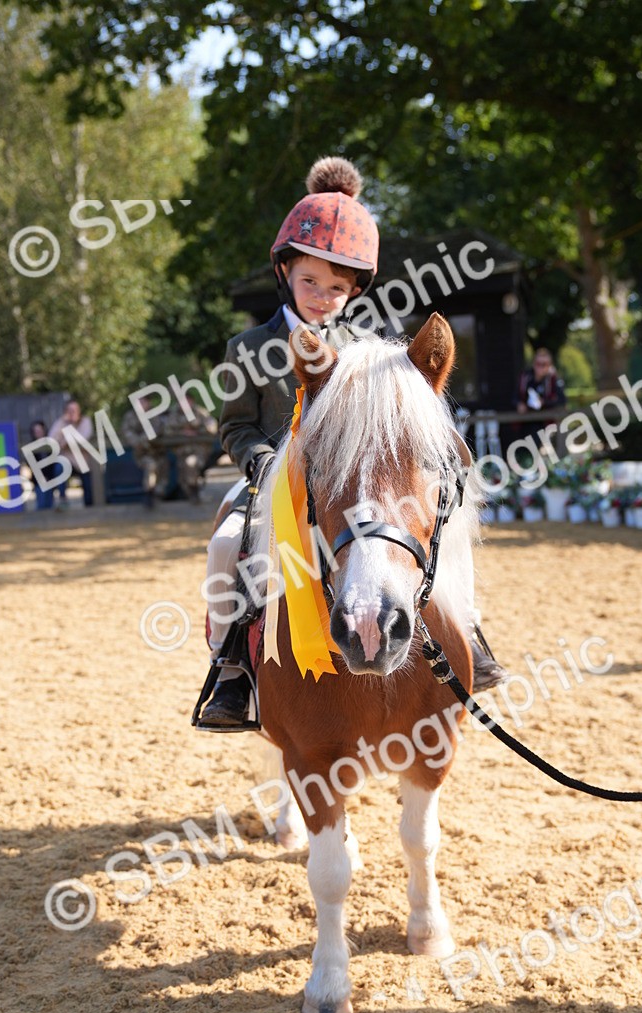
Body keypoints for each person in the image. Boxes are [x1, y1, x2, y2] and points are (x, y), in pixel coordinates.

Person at [199, 156, 505, 727]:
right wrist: (266, 466)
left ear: (354, 290)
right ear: (285, 272)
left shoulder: (367, 347)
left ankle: (469, 634)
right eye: (310, 281)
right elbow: (235, 426)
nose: (322, 295)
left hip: (346, 486)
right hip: (273, 484)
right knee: (225, 544)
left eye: (336, 287)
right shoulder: (248, 347)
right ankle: (232, 666)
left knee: (434, 527)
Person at [121, 394, 171, 508]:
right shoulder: (130, 416)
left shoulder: (155, 414)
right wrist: (139, 442)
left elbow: (155, 431)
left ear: (148, 403)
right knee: (151, 466)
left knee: (162, 479)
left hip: (159, 453)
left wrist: (141, 440)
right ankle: (149, 494)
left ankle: (158, 498)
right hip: (143, 454)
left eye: (143, 402)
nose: (140, 405)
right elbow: (127, 432)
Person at [48, 399, 94, 507]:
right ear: (65, 411)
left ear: (79, 411)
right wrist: (63, 424)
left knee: (88, 487)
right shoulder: (61, 422)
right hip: (67, 460)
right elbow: (51, 439)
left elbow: (83, 438)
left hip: (83, 461)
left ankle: (90, 506)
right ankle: (62, 500)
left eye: (75, 410)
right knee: (59, 467)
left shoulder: (86, 421)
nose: (73, 412)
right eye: (70, 410)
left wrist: (64, 441)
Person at [516, 348, 566, 445]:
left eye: (544, 364)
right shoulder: (525, 377)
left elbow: (562, 400)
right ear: (533, 364)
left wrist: (544, 402)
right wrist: (519, 404)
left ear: (549, 365)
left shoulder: (554, 379)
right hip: (526, 424)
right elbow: (515, 397)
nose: (541, 367)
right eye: (538, 364)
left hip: (548, 424)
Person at [27, 420, 58, 510]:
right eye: (36, 431)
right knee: (41, 505)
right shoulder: (30, 447)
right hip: (38, 480)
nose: (38, 433)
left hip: (50, 478)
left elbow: (53, 462)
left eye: (40, 431)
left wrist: (48, 477)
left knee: (49, 504)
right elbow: (31, 465)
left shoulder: (50, 445)